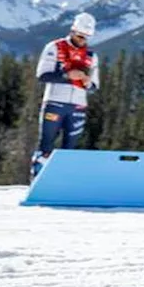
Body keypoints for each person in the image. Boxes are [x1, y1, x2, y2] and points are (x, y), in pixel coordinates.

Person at [30, 13, 99, 178]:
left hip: (78, 106)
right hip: (55, 102)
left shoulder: (91, 56)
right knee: (46, 145)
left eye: (86, 37)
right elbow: (42, 75)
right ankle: (37, 180)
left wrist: (87, 82)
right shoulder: (54, 47)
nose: (82, 40)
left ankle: (62, 181)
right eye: (80, 35)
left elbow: (95, 86)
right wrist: (67, 76)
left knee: (70, 150)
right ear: (73, 30)